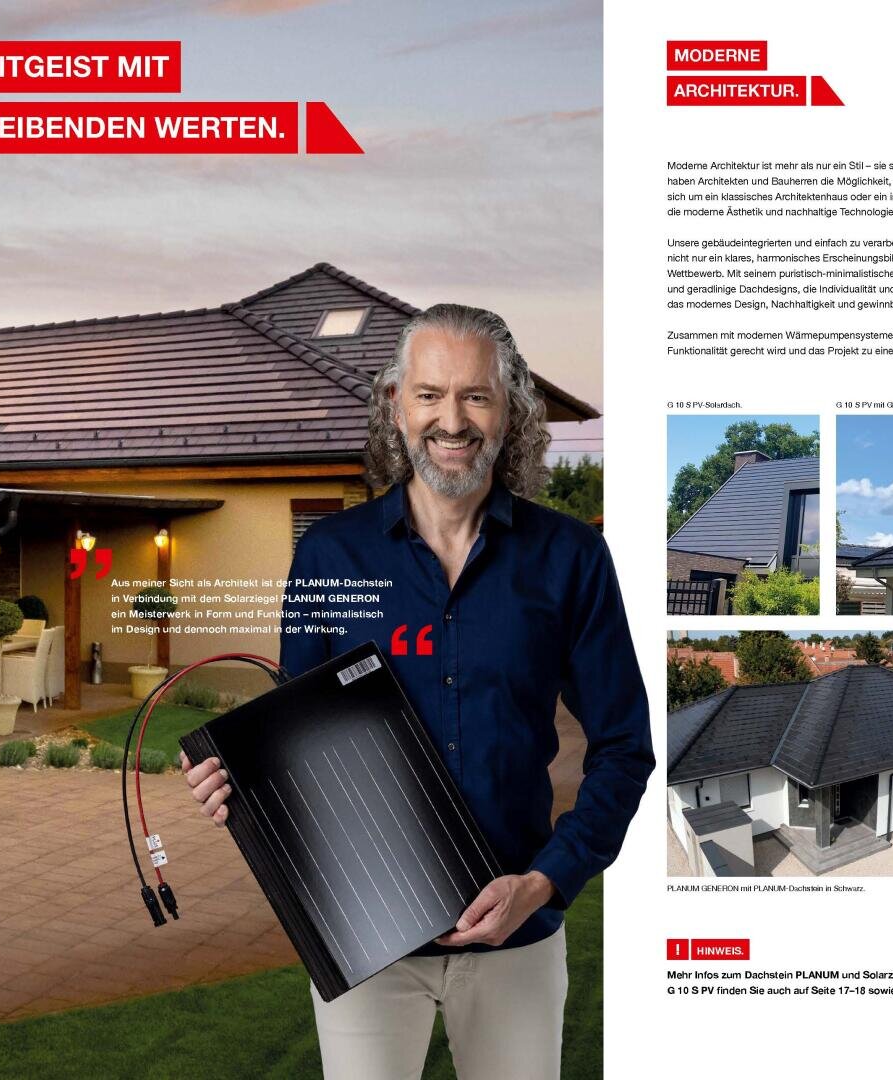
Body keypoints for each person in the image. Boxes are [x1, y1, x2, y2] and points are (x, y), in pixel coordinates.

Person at [181, 303, 653, 1080]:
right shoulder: (331, 556)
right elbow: (296, 739)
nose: (452, 420)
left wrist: (545, 882)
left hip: (519, 939)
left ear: (511, 411)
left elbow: (626, 747)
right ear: (396, 405)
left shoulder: (570, 559)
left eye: (476, 395)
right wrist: (238, 779)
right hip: (365, 939)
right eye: (430, 394)